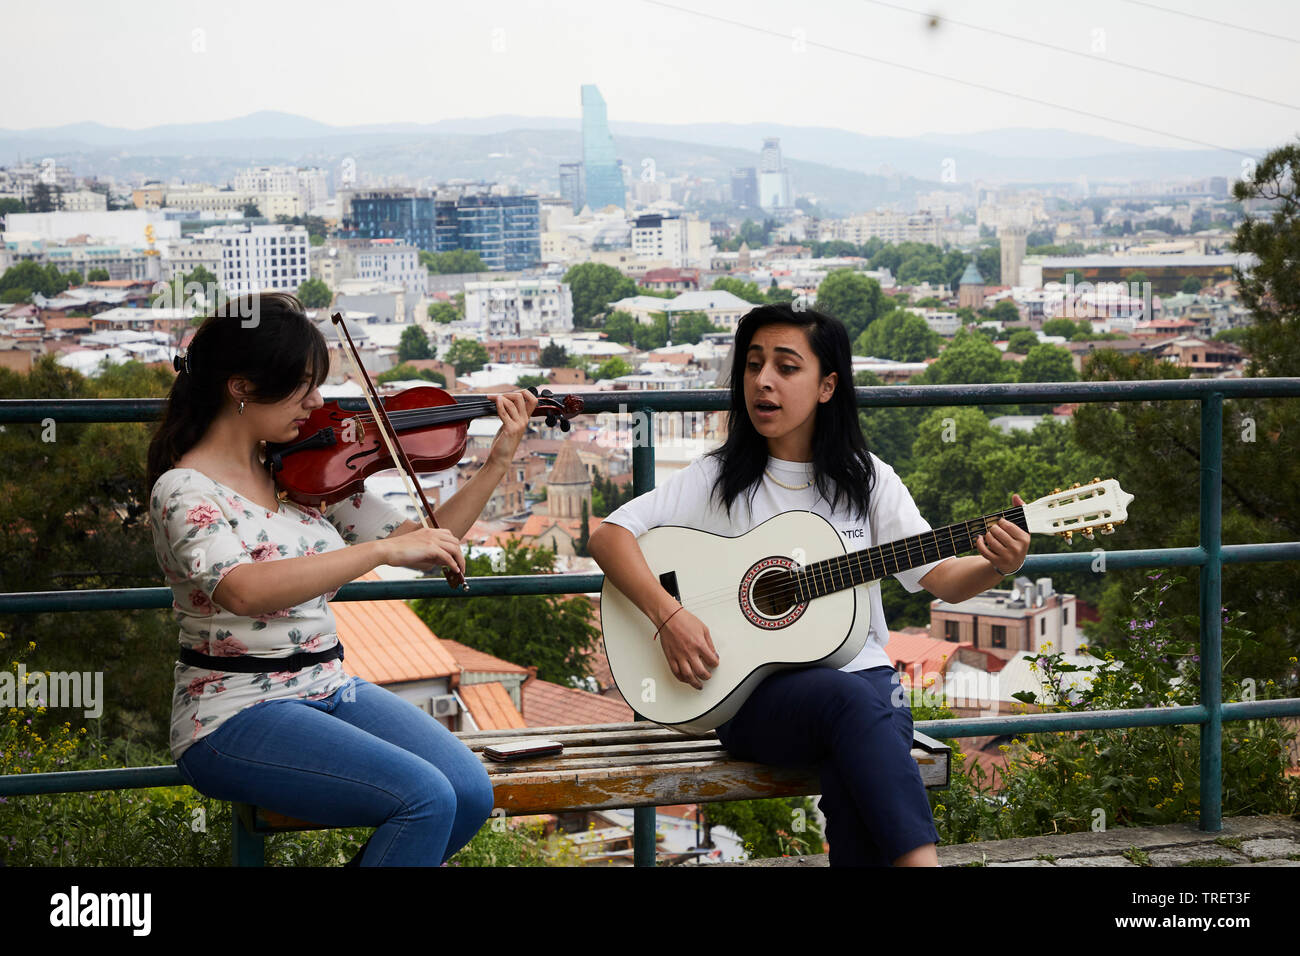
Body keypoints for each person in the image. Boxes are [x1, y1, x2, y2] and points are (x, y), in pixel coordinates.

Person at [588, 302, 1030, 867]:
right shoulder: (717, 478)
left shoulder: (868, 480)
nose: (763, 381)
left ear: (827, 386)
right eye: (752, 365)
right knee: (864, 711)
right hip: (752, 698)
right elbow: (610, 536)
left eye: (785, 367)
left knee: (868, 729)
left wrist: (997, 564)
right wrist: (669, 616)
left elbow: (940, 576)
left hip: (865, 691)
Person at [146, 292, 538, 866]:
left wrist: (498, 462)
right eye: (302, 386)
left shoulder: (303, 472)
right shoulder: (185, 489)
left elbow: (430, 541)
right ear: (241, 388)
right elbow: (244, 589)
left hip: (330, 688)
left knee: (470, 792)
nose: (318, 401)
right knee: (425, 798)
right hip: (231, 712)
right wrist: (380, 551)